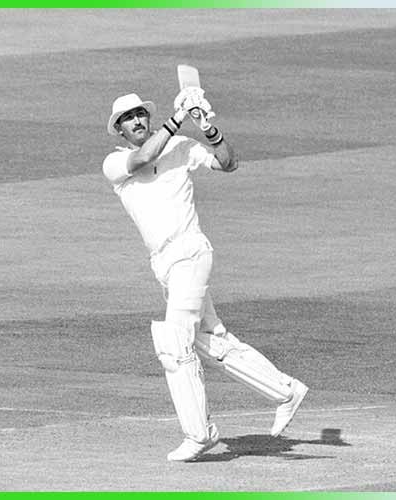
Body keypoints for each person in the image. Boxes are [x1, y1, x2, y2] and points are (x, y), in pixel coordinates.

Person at [102, 89, 308, 462]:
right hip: (164, 264)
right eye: (128, 119)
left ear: (148, 117)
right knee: (210, 340)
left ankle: (199, 434)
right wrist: (178, 117)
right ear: (119, 129)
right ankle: (285, 391)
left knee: (174, 343)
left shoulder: (180, 145)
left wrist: (207, 127)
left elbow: (228, 163)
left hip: (190, 252)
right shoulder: (114, 163)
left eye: (140, 114)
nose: (137, 121)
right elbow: (145, 157)